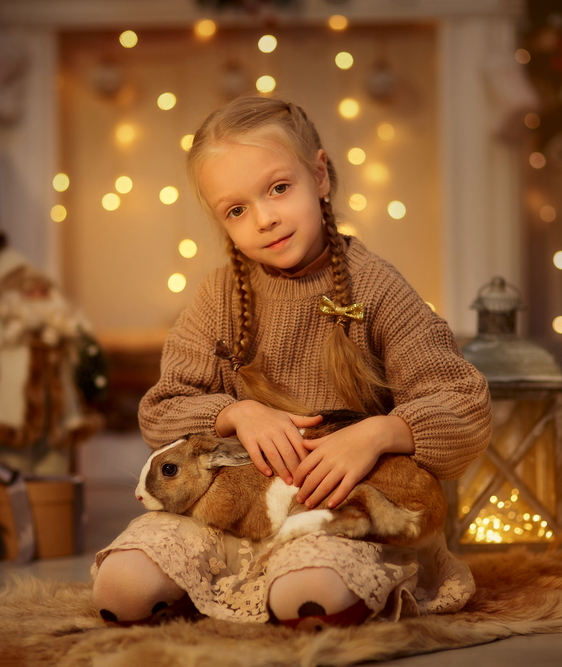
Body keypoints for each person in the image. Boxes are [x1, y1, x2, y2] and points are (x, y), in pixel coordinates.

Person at [91, 95, 492, 630]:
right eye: (236, 210)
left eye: (279, 188)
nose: (265, 218)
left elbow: (463, 404)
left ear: (319, 176)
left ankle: (304, 579)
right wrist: (236, 416)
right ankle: (225, 576)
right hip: (240, 512)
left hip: (343, 509)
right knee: (120, 588)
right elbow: (161, 410)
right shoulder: (219, 298)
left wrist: (378, 433)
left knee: (305, 596)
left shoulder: (377, 287)